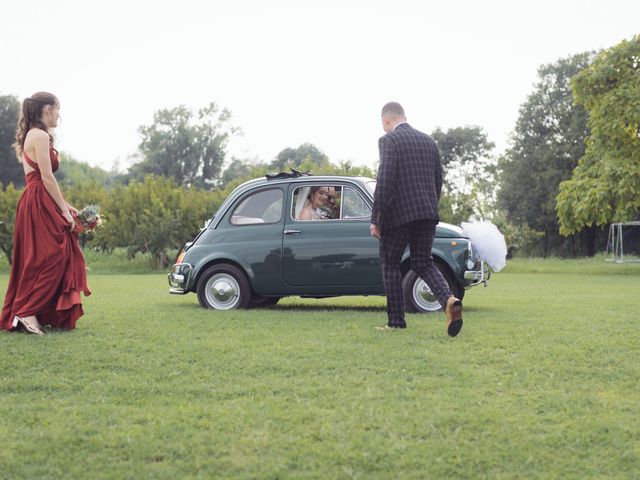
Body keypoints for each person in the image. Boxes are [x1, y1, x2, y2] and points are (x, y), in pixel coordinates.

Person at [0, 92, 91, 335]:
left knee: (47, 256)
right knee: (52, 256)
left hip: (39, 198)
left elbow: (43, 179)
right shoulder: (39, 135)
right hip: (38, 201)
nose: (59, 115)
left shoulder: (36, 135)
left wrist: (68, 206)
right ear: (47, 109)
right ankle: (26, 311)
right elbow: (46, 177)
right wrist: (65, 212)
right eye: (58, 109)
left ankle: (35, 312)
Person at [370, 102, 462, 336]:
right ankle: (449, 300)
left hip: (398, 216)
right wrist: (430, 206)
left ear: (387, 120)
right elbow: (437, 180)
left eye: (383, 123)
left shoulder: (389, 140)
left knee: (390, 263)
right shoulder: (429, 141)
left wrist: (377, 218)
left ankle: (396, 322)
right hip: (427, 213)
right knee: (423, 262)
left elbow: (385, 181)